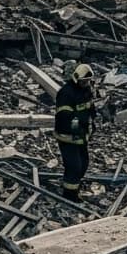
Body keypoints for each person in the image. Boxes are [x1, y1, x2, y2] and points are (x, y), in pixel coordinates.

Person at [54, 62, 97, 201]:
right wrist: (75, 128)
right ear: (76, 78)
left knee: (84, 163)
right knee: (74, 166)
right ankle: (69, 195)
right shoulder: (66, 93)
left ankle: (74, 185)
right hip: (67, 136)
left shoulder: (86, 90)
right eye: (84, 81)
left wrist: (93, 121)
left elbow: (90, 107)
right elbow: (63, 117)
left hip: (81, 135)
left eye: (88, 81)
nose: (86, 83)